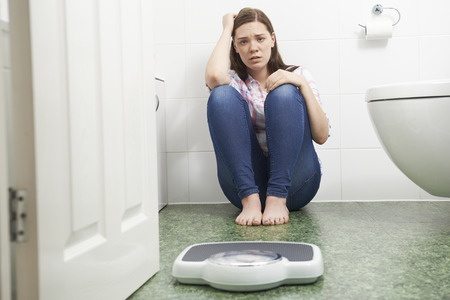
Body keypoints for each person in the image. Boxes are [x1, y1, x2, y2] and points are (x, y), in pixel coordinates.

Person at [205, 8, 329, 226]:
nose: (253, 48)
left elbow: (321, 136)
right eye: (243, 42)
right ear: (235, 46)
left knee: (284, 93)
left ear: (272, 39)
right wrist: (227, 29)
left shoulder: (298, 75)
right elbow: (214, 76)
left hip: (295, 185)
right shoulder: (233, 82)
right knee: (220, 95)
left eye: (260, 38)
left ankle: (277, 199)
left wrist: (301, 84)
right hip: (244, 189)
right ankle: (251, 201)